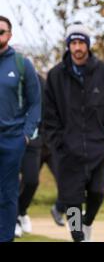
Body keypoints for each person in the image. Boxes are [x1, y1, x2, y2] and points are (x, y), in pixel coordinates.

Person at [44, 22, 104, 242]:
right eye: (73, 43)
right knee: (72, 200)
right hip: (67, 151)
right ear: (68, 46)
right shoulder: (55, 75)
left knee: (97, 194)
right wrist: (57, 141)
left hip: (98, 147)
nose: (77, 47)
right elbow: (49, 114)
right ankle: (78, 236)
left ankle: (87, 224)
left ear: (88, 45)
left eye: (81, 43)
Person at [0, 15, 41, 242]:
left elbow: (35, 102)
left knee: (8, 193)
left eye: (1, 31)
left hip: (12, 138)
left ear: (9, 35)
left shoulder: (21, 63)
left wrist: (26, 134)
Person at [15, 73, 46, 237]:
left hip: (34, 140)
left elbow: (47, 109)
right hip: (11, 140)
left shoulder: (39, 82)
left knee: (31, 181)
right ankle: (14, 220)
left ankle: (22, 210)